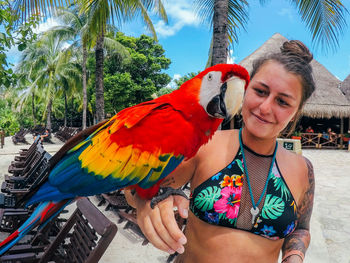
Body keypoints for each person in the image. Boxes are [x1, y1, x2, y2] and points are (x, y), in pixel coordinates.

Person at [125, 40, 316, 263]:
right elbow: (132, 188)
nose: (265, 108)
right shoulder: (203, 145)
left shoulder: (303, 170)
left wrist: (294, 256)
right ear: (246, 89)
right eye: (260, 91)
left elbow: (300, 228)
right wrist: (150, 201)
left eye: (282, 102)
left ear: (295, 112)